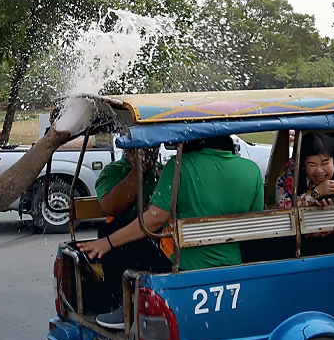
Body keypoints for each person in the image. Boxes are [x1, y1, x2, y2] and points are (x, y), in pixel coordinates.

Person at [77, 135, 264, 329]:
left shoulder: (179, 166)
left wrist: (107, 242)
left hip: (182, 266)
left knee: (136, 245)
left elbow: (155, 218)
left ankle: (130, 308)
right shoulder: (252, 170)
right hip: (234, 265)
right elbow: (256, 222)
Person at [85, 147, 171, 314]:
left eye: (153, 148)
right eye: (144, 148)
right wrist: (139, 170)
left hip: (156, 235)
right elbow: (111, 207)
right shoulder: (113, 171)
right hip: (122, 235)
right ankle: (120, 304)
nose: (150, 151)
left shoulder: (163, 172)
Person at [274, 132, 334, 255]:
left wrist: (333, 215)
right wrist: (314, 194)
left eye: (325, 163)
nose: (319, 171)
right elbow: (283, 211)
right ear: (302, 165)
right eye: (312, 165)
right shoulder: (291, 174)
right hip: (299, 243)